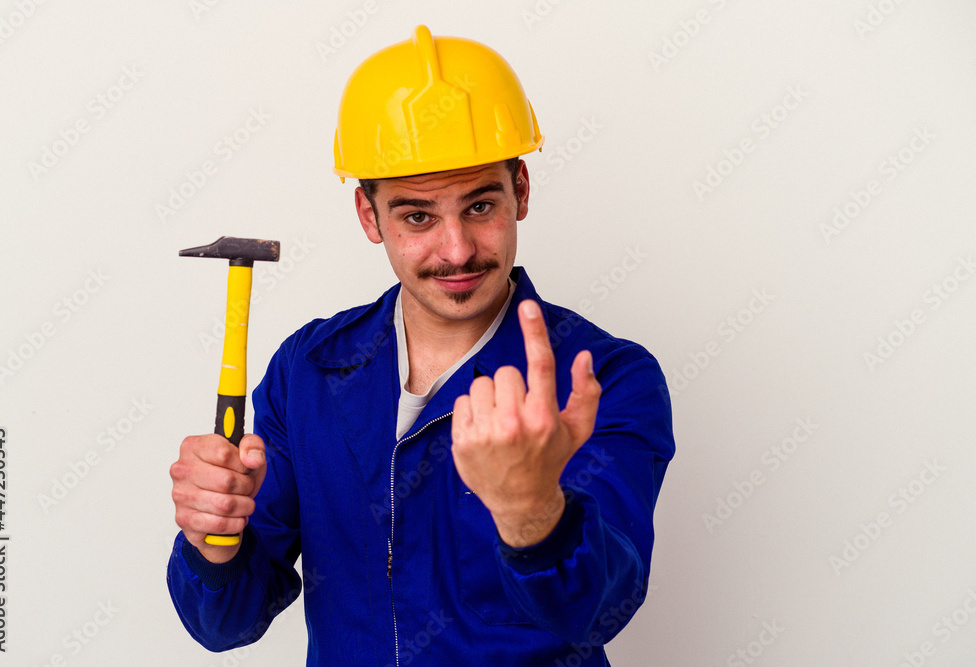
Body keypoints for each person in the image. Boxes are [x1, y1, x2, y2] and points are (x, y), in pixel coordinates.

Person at [167, 25, 674, 667]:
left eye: (480, 206)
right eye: (417, 217)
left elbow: (602, 609)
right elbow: (226, 623)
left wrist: (533, 514)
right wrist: (214, 540)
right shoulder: (310, 371)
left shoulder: (605, 378)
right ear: (368, 216)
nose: (457, 249)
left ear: (520, 189)